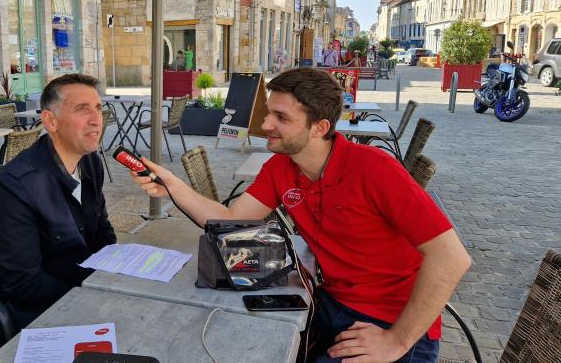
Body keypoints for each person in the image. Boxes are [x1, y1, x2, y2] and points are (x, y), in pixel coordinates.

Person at [129, 68, 471, 363]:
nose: (265, 125)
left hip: (392, 322)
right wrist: (173, 185)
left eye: (281, 118)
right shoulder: (281, 167)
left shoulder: (374, 168)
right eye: (268, 113)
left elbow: (451, 257)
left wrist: (396, 340)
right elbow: (231, 219)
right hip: (332, 301)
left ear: (319, 127)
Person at [0, 73, 117, 342]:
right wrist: (92, 294)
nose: (97, 119)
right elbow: (24, 284)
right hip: (24, 315)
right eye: (82, 110)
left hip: (76, 291)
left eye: (98, 108)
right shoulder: (16, 188)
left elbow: (102, 231)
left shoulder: (91, 163)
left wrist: (116, 276)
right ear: (50, 121)